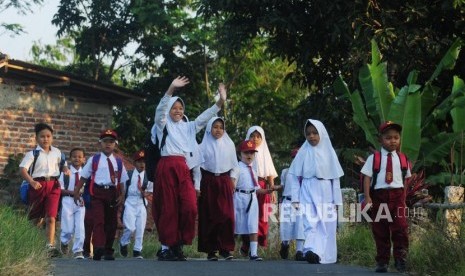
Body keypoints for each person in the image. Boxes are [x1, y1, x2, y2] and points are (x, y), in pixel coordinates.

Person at [152, 76, 227, 261]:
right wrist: (171, 88)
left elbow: (205, 116)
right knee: (168, 208)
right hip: (167, 166)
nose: (177, 111)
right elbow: (160, 109)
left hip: (183, 168)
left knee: (190, 207)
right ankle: (169, 248)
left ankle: (178, 243)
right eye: (174, 108)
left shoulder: (189, 127)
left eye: (180, 108)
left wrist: (221, 101)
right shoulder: (163, 125)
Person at [289, 119, 344, 264]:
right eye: (308, 134)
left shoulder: (329, 152)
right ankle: (311, 250)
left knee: (326, 223)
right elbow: (294, 175)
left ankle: (323, 254)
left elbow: (335, 178)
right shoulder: (303, 151)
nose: (311, 136)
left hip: (326, 189)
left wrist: (337, 200)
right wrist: (295, 198)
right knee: (310, 221)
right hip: (307, 187)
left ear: (321, 133)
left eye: (315, 133)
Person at [361, 121, 411, 273]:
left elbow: (406, 179)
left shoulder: (403, 159)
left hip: (397, 196)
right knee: (380, 230)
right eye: (388, 138)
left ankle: (400, 259)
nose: (393, 141)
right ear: (380, 139)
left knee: (400, 229)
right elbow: (367, 178)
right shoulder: (374, 158)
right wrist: (368, 197)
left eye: (396, 137)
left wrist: (404, 199)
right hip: (379, 196)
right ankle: (382, 261)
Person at [73, 129, 129, 261]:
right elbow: (84, 177)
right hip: (97, 193)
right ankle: (98, 247)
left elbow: (122, 181)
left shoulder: (119, 162)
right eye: (105, 142)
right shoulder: (94, 160)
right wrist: (76, 191)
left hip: (112, 193)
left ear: (115, 144)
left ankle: (108, 250)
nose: (108, 144)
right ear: (100, 144)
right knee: (98, 220)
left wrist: (122, 195)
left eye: (111, 142)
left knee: (112, 223)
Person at [19, 122, 68, 255]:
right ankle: (30, 243)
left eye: (48, 136)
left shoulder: (57, 152)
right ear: (36, 138)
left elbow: (62, 164)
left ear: (52, 137)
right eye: (42, 136)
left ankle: (49, 246)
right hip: (38, 186)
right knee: (35, 218)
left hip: (53, 186)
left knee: (51, 217)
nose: (45, 139)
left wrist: (65, 169)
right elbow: (23, 169)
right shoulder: (32, 154)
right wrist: (31, 182)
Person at [198, 117, 239, 261]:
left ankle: (225, 248)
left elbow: (235, 165)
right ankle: (211, 250)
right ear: (209, 128)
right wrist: (197, 186)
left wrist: (233, 179)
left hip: (224, 181)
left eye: (221, 127)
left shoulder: (229, 144)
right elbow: (198, 167)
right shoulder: (202, 146)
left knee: (227, 215)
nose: (218, 130)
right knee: (210, 216)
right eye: (215, 127)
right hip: (208, 181)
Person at [234, 140, 274, 261]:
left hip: (252, 199)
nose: (249, 155)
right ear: (240, 154)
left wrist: (268, 191)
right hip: (239, 198)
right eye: (246, 153)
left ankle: (254, 253)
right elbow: (232, 184)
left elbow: (256, 188)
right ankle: (228, 250)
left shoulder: (253, 169)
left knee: (252, 225)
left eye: (252, 153)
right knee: (236, 225)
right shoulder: (237, 168)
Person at [240, 126, 278, 254]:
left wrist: (272, 190)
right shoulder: (246, 152)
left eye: (258, 136)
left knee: (262, 217)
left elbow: (270, 173)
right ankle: (246, 244)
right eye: (252, 136)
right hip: (247, 188)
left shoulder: (264, 152)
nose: (255, 139)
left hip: (262, 186)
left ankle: (257, 246)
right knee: (247, 216)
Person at [119, 150, 152, 259]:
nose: (142, 164)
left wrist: (146, 194)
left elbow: (151, 192)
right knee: (130, 227)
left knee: (140, 227)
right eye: (139, 162)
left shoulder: (149, 177)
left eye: (144, 162)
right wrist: (122, 199)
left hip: (141, 202)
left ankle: (137, 250)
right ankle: (124, 242)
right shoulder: (129, 174)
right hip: (130, 201)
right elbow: (123, 187)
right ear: (134, 163)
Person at [59, 148, 86, 259]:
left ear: (84, 159)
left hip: (80, 202)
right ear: (70, 159)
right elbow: (60, 189)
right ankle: (64, 241)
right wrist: (74, 193)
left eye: (80, 157)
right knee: (68, 229)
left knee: (80, 227)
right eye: (74, 156)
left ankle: (78, 250)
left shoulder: (85, 173)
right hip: (68, 200)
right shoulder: (66, 173)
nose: (77, 158)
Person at [278, 147, 305, 261]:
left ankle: (299, 251)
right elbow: (282, 185)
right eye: (294, 158)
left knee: (300, 226)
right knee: (286, 225)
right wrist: (275, 187)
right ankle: (285, 244)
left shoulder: (306, 173)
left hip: (301, 202)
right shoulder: (286, 171)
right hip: (288, 201)